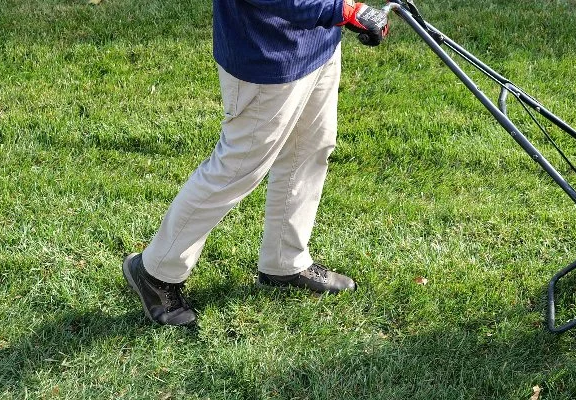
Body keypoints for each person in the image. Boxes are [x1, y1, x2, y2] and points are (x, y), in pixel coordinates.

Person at [122, 0, 390, 326]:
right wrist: (342, 10)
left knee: (309, 150)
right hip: (267, 52)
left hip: (318, 42)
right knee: (235, 170)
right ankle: (156, 271)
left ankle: (284, 262)